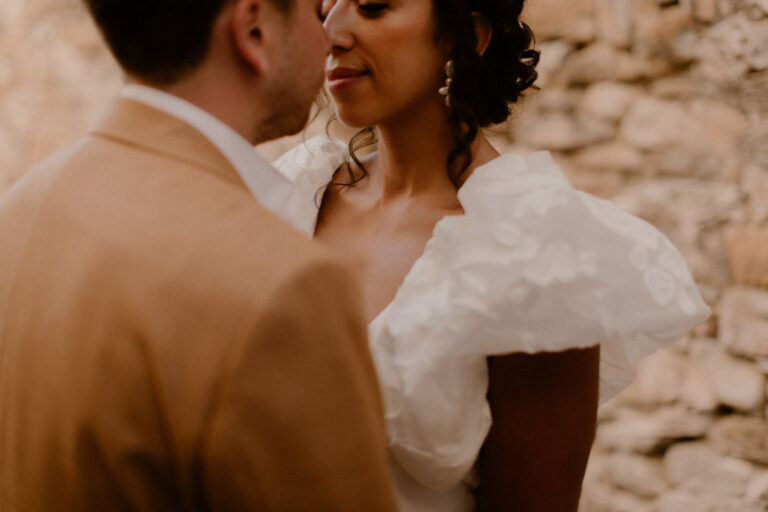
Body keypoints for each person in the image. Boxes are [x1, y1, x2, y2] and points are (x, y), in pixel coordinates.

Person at [273, 0, 712, 509]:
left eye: (373, 7)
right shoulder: (291, 193)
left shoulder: (533, 252)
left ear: (469, 35)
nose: (333, 34)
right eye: (324, 8)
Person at [0, 0, 398, 510]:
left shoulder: (24, 204)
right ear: (253, 29)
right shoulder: (282, 286)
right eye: (310, 10)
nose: (327, 39)